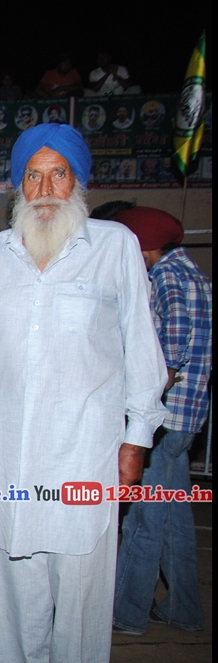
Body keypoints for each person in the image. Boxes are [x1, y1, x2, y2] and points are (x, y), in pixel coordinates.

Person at [0, 124, 167, 663]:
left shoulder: (114, 245)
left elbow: (141, 348)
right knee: (16, 578)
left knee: (81, 589)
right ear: (19, 185)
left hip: (84, 448)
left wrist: (136, 441)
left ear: (78, 181)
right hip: (9, 450)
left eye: (58, 174)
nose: (45, 188)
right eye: (33, 175)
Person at [112, 207, 210, 635]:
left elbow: (174, 345)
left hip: (165, 417)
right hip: (190, 416)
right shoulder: (196, 276)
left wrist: (146, 400)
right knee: (174, 518)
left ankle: (127, 612)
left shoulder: (166, 277)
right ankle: (184, 607)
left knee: (143, 520)